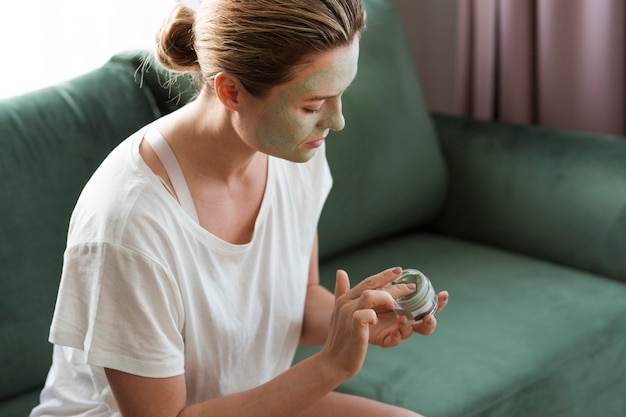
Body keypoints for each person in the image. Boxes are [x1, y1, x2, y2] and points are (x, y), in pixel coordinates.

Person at [30, 1, 449, 416]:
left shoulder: (294, 149)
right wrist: (329, 366)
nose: (336, 121)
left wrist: (360, 320)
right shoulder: (129, 225)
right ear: (231, 91)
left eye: (340, 95)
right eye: (312, 105)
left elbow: (299, 303)